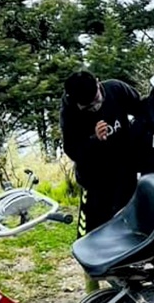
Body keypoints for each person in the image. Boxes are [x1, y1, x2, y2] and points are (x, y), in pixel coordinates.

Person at [60, 70, 145, 236]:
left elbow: (142, 110)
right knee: (94, 228)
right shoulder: (69, 112)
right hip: (94, 179)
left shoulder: (116, 89)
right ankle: (94, 258)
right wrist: (94, 140)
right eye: (89, 107)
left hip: (124, 170)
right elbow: (73, 150)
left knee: (125, 220)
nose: (96, 108)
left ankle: (125, 257)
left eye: (97, 101)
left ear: (98, 83)